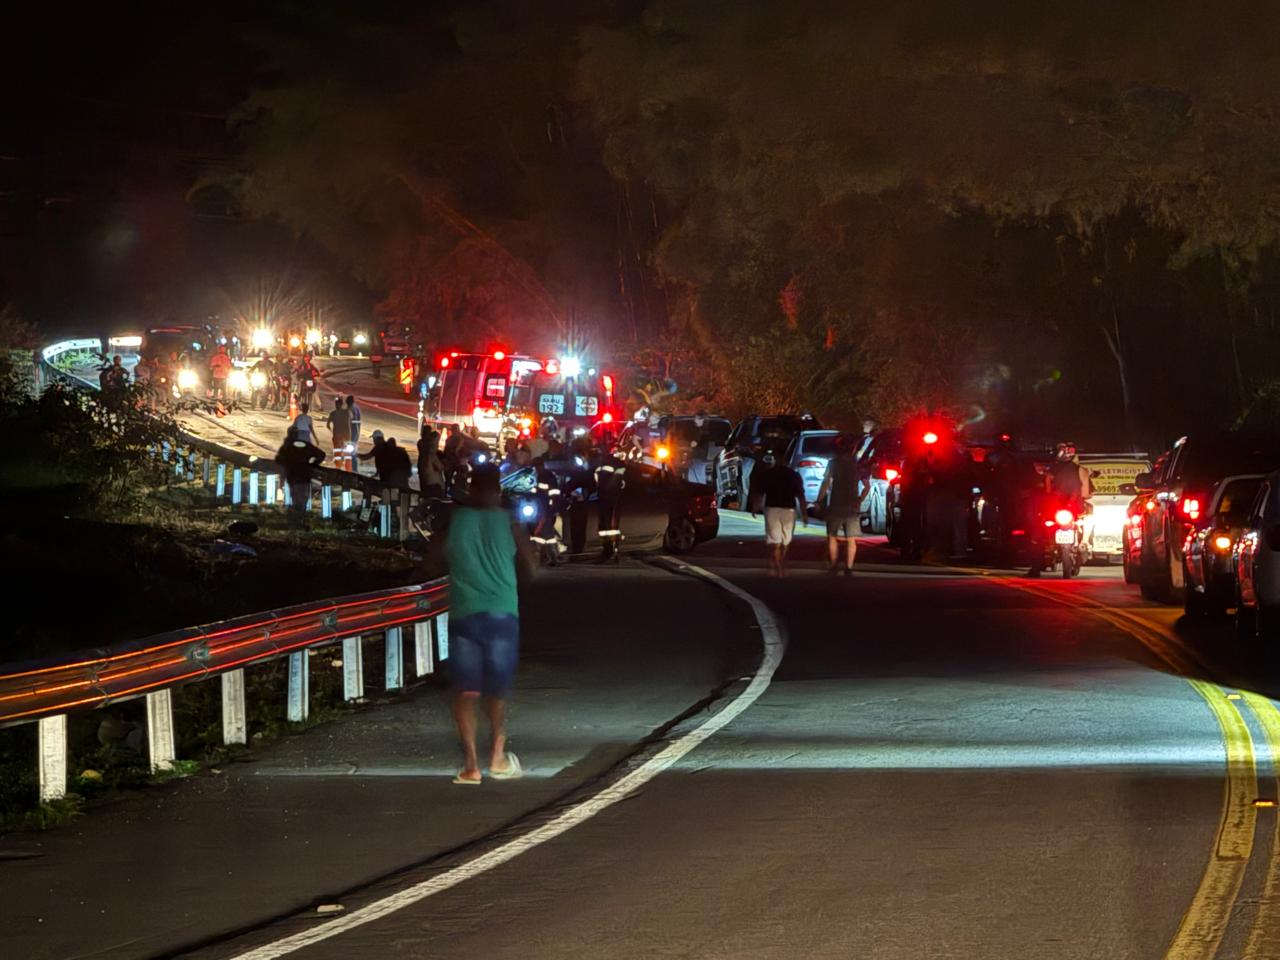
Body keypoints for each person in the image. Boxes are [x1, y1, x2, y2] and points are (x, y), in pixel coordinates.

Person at [442, 465, 536, 784]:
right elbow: (531, 567)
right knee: (497, 689)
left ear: (471, 488)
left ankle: (471, 765)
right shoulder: (509, 522)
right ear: (497, 490)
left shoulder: (456, 520)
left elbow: (432, 560)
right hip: (502, 614)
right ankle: (497, 757)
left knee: (466, 690)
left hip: (464, 613)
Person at [750, 451, 807, 576]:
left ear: (775, 460)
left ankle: (776, 564)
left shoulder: (768, 474)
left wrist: (755, 506)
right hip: (789, 510)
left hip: (772, 509)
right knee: (786, 540)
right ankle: (780, 563)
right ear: (787, 461)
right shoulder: (794, 475)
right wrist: (804, 513)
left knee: (774, 540)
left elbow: (760, 492)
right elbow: (800, 495)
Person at [817, 435, 866, 575]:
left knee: (832, 536)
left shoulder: (833, 463)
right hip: (852, 507)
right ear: (853, 449)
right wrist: (860, 499)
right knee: (851, 539)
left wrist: (819, 499)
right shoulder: (858, 465)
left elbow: (826, 482)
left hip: (836, 504)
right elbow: (867, 486)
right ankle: (849, 568)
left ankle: (833, 566)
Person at [274, 426, 325, 514]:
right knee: (302, 499)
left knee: (297, 499)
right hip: (304, 476)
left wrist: (282, 479)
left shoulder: (286, 447)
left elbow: (279, 462)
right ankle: (301, 515)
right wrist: (313, 464)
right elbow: (321, 455)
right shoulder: (305, 445)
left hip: (293, 477)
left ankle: (298, 515)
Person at [593, 446, 627, 563]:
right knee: (608, 526)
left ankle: (610, 550)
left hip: (609, 498)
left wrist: (602, 492)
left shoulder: (601, 466)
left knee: (608, 526)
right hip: (610, 498)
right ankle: (611, 550)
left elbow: (600, 482)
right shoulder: (618, 465)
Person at [417, 426, 446, 498]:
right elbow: (440, 467)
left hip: (423, 476)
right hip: (433, 483)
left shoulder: (421, 444)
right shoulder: (431, 454)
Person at [326, 396, 352, 469]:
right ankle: (348, 467)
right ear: (342, 404)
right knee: (347, 452)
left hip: (337, 436)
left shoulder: (333, 413)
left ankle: (338, 466)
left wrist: (332, 431)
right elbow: (350, 424)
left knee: (337, 451)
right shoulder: (346, 413)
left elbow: (328, 425)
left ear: (336, 404)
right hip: (346, 436)